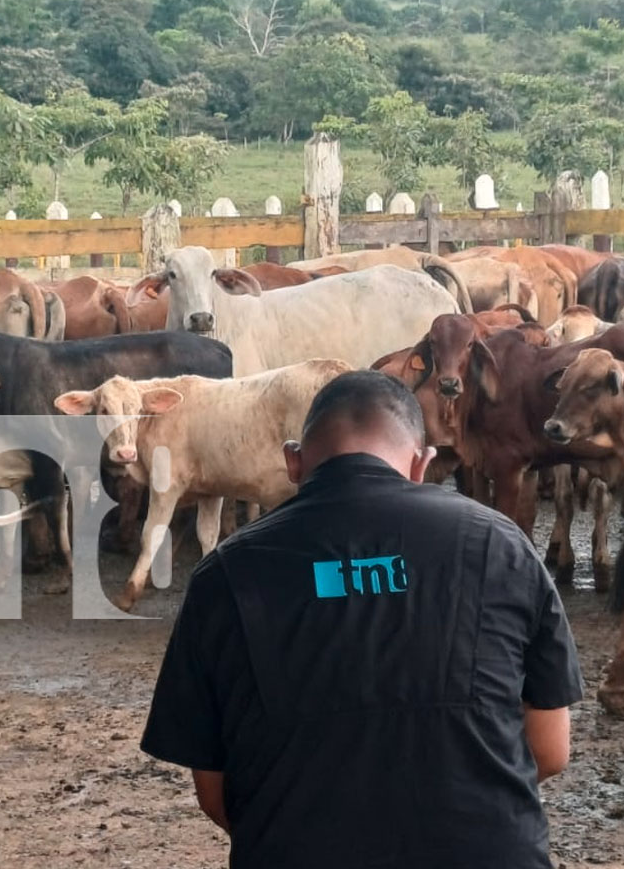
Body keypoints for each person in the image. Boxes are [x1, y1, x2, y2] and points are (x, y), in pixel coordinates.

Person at [141, 370, 583, 869]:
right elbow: (550, 752)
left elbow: (216, 794)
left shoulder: (222, 577)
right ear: (421, 464)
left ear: (293, 461)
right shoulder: (499, 545)